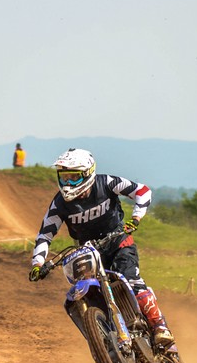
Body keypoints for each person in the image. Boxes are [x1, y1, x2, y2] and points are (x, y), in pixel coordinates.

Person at [27, 147, 175, 346]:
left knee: (131, 280)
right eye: (64, 177)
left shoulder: (106, 183)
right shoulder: (59, 204)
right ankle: (104, 340)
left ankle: (160, 327)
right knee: (89, 295)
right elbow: (45, 234)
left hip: (118, 242)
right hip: (89, 253)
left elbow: (142, 191)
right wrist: (38, 264)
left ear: (88, 174)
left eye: (74, 177)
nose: (68, 183)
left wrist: (136, 217)